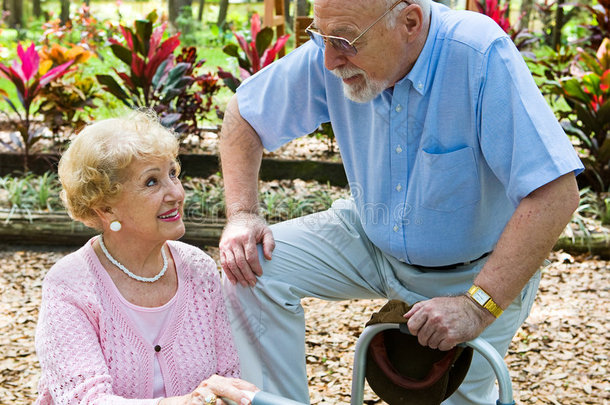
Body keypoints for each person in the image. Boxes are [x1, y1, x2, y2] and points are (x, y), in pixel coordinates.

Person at [218, 0, 584, 403]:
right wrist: (242, 214)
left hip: (478, 271)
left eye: (344, 40)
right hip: (370, 237)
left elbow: (555, 193)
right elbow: (244, 115)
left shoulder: (477, 53)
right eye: (320, 37)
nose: (328, 60)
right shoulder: (335, 50)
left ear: (409, 22)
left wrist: (477, 306)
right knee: (250, 267)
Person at [35, 111, 257, 405]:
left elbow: (227, 375)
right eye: (152, 182)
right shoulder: (70, 285)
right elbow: (85, 400)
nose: (176, 193)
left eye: (173, 174)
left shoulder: (199, 269)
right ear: (106, 208)